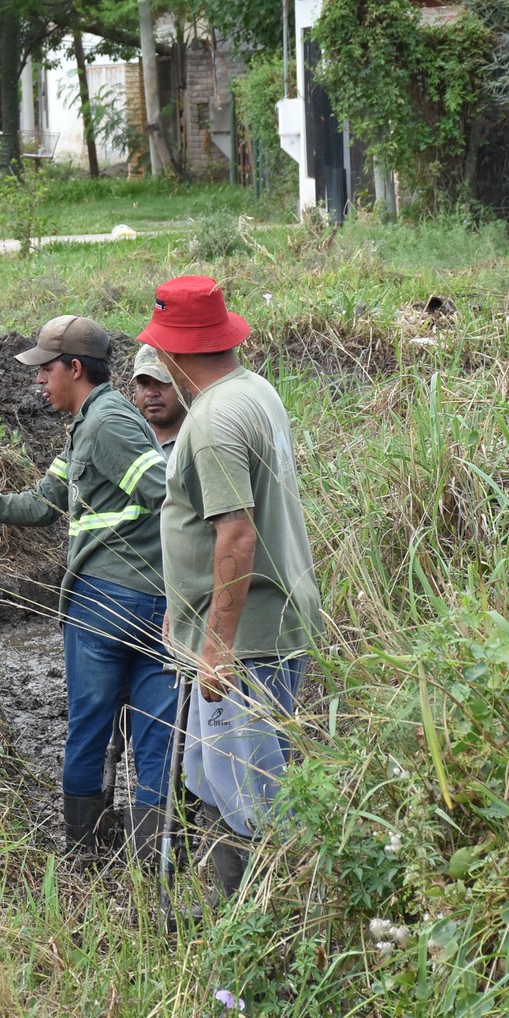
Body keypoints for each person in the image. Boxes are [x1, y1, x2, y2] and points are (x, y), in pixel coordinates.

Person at [0, 314, 174, 858]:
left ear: (76, 368)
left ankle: (90, 849)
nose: (38, 380)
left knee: (95, 725)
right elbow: (42, 505)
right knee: (152, 728)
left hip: (111, 600)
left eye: (45, 369)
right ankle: (143, 851)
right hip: (146, 601)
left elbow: (170, 496)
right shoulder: (87, 425)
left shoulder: (108, 424)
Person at [139, 275, 322, 892]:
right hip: (252, 627)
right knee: (211, 775)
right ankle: (227, 912)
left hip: (243, 645)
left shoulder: (213, 421)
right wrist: (185, 612)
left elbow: (236, 535)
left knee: (253, 799)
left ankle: (273, 924)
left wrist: (216, 646)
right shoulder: (255, 391)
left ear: (172, 349)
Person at [131, 343, 186, 458]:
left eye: (162, 382)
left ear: (186, 385)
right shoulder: (130, 440)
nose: (151, 393)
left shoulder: (198, 441)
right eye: (143, 383)